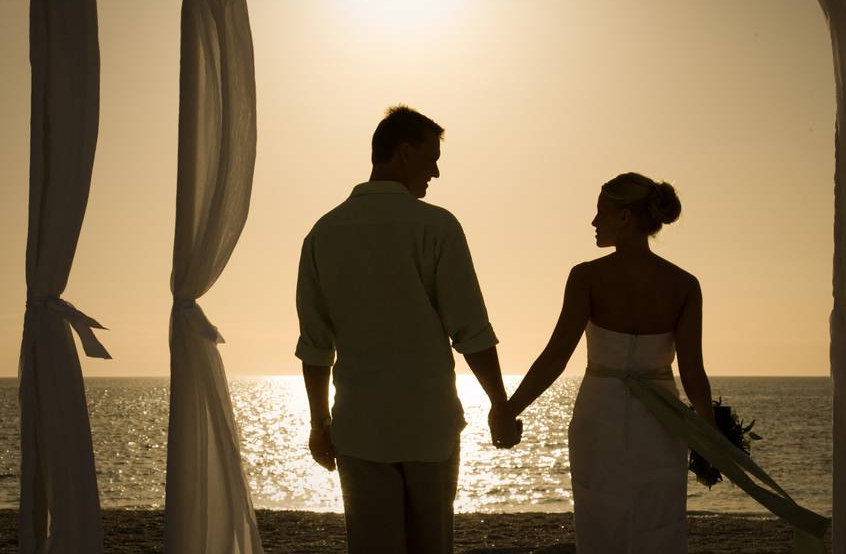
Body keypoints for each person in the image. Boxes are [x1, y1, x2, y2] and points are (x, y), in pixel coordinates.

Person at [294, 105, 521, 554]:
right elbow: (471, 331)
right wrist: (500, 404)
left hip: (360, 428)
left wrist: (320, 424)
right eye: (431, 156)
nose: (436, 171)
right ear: (403, 152)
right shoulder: (436, 227)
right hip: (428, 426)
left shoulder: (322, 234)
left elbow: (316, 347)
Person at [505, 172, 715, 554]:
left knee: (601, 515)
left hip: (599, 413)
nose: (593, 221)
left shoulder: (586, 277)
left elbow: (556, 356)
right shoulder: (684, 284)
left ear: (625, 217)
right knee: (658, 517)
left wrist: (509, 410)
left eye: (601, 211)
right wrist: (710, 436)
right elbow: (693, 373)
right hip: (661, 418)